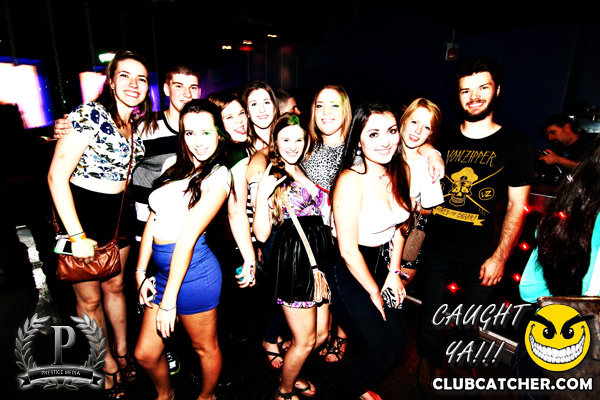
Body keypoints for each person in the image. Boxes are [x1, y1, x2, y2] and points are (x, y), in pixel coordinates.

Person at [416, 55, 535, 390]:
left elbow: (517, 206)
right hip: (436, 250)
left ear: (497, 91)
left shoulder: (517, 145)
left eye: (482, 87)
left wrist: (500, 257)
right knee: (431, 319)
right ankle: (431, 365)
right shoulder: (442, 140)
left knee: (471, 323)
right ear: (458, 96)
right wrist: (428, 150)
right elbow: (412, 145)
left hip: (483, 255)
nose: (474, 96)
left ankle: (462, 367)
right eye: (465, 90)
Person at [47, 50, 155, 398]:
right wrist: (76, 235)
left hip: (118, 213)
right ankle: (105, 363)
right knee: (90, 300)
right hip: (82, 216)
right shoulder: (89, 114)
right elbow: (56, 177)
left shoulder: (137, 123)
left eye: (141, 78)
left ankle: (123, 353)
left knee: (116, 287)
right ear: (110, 81)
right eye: (124, 76)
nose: (133, 84)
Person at [134, 99, 230, 400]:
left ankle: (207, 396)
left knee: (204, 347)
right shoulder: (171, 165)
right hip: (165, 273)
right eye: (190, 133)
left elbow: (187, 237)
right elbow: (153, 218)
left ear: (219, 134)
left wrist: (168, 302)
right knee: (145, 354)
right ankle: (166, 395)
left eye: (206, 132)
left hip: (195, 275)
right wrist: (140, 271)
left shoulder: (219, 176)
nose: (198, 142)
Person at [324, 102, 411, 400]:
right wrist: (374, 292)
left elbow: (400, 227)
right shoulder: (350, 180)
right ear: (358, 140)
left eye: (391, 131)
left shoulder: (399, 171)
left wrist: (394, 273)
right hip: (346, 272)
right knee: (380, 352)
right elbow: (348, 250)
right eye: (373, 134)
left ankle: (360, 386)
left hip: (382, 266)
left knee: (399, 345)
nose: (385, 141)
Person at [253, 113, 330, 400]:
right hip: (295, 262)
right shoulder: (273, 176)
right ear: (275, 141)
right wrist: (261, 196)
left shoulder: (308, 169)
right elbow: (262, 234)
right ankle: (284, 390)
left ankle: (291, 371)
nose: (293, 146)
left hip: (319, 258)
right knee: (305, 340)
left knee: (320, 335)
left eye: (298, 139)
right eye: (286, 139)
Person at [398, 98, 445, 284]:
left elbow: (430, 210)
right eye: (414, 122)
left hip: (406, 238)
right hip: (370, 240)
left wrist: (413, 204)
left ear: (431, 133)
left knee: (393, 296)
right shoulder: (382, 151)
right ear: (404, 119)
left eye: (426, 127)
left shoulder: (429, 165)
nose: (418, 131)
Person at [241, 81, 279, 150]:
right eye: (254, 104)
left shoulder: (288, 141)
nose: (262, 110)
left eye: (266, 102)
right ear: (247, 112)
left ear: (274, 107)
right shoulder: (242, 150)